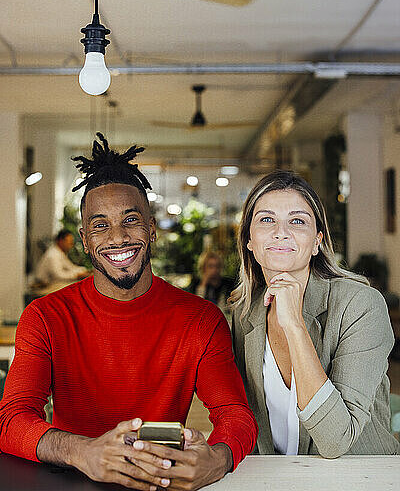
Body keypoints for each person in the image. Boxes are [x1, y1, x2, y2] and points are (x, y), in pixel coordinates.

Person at [0, 133, 257, 491]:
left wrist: (219, 457)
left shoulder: (200, 320)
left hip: (161, 483)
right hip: (70, 479)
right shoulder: (45, 316)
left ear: (151, 229)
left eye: (131, 220)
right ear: (85, 240)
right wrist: (84, 451)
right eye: (100, 224)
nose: (117, 237)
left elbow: (235, 414)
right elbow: (12, 420)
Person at [230, 170, 400, 458]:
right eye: (266, 219)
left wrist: (294, 324)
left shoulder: (361, 305)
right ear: (249, 239)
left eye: (297, 221)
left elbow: (336, 440)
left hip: (360, 480)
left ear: (317, 241)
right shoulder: (243, 313)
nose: (280, 231)